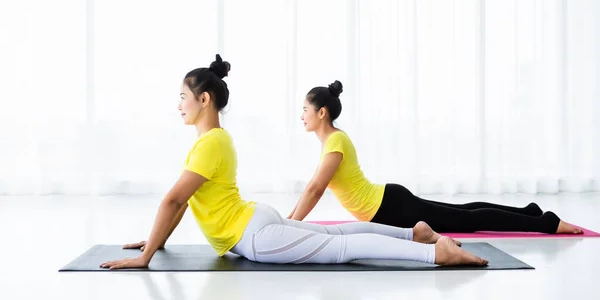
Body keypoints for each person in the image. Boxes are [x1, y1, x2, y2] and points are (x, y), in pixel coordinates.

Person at [100, 56, 488, 270]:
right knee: (334, 238)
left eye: (182, 96)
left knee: (338, 250)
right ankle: (413, 234)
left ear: (204, 100)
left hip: (253, 236)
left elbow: (172, 201)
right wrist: (154, 241)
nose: (178, 104)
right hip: (255, 220)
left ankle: (434, 253)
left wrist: (146, 257)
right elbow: (181, 202)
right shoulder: (215, 140)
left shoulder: (208, 144)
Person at [289, 80, 583, 235]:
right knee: (463, 211)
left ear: (321, 112)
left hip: (389, 208)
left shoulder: (335, 141)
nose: (301, 115)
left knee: (466, 220)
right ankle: (528, 211)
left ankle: (546, 223)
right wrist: (288, 220)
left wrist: (289, 224)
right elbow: (312, 188)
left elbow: (315, 188)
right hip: (389, 202)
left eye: (305, 109)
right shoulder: (331, 141)